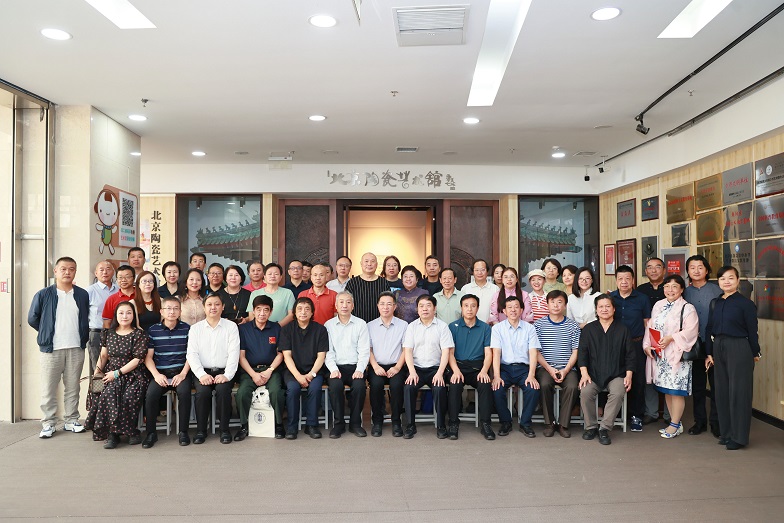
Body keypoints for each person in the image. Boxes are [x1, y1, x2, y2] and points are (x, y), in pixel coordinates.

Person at [28, 257, 90, 438]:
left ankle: (71, 420)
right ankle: (48, 423)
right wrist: (46, 332)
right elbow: (32, 318)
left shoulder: (82, 294)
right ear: (55, 271)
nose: (67, 272)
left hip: (76, 347)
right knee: (48, 388)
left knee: (73, 387)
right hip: (51, 349)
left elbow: (85, 317)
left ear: (75, 272)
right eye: (63, 269)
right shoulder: (43, 294)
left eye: (71, 269)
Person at [705, 266, 761, 450]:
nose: (726, 282)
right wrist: (709, 351)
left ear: (738, 280)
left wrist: (755, 352)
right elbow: (709, 327)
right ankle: (727, 433)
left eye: (730, 278)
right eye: (722, 278)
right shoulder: (716, 302)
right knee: (722, 391)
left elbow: (752, 331)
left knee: (739, 392)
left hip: (739, 346)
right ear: (718, 282)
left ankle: (739, 437)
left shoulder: (745, 304)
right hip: (718, 347)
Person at [642, 274, 699, 439]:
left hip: (677, 356)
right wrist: (647, 346)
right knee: (666, 390)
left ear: (681, 289)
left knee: (676, 391)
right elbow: (650, 327)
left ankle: (674, 424)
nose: (670, 290)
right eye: (667, 286)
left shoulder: (688, 308)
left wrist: (671, 338)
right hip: (661, 356)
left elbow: (691, 331)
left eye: (675, 286)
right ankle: (676, 423)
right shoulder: (658, 305)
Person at [85, 301, 148, 448]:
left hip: (134, 374)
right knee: (107, 393)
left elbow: (137, 359)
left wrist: (117, 373)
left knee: (129, 395)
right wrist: (97, 374)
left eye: (128, 313)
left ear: (133, 316)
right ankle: (112, 434)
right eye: (121, 313)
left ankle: (131, 431)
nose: (125, 316)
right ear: (116, 315)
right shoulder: (108, 333)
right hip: (110, 373)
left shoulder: (139, 334)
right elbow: (103, 356)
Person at [578, 294, 635, 446]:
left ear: (614, 309)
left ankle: (604, 428)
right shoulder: (589, 329)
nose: (604, 309)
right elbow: (582, 353)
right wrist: (584, 373)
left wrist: (629, 375)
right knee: (585, 392)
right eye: (601, 307)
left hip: (617, 374)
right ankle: (591, 427)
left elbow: (630, 355)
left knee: (618, 392)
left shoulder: (623, 329)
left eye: (608, 306)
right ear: (596, 310)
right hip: (592, 374)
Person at [186, 294, 241, 444]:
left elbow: (234, 353)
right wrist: (201, 375)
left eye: (217, 304)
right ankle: (201, 430)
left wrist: (227, 375)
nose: (213, 308)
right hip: (202, 371)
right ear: (204, 308)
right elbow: (192, 354)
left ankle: (224, 430)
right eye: (209, 304)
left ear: (223, 307)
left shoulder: (231, 327)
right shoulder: (195, 329)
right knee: (202, 393)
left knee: (223, 391)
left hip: (224, 371)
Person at [143, 296, 192, 448]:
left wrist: (183, 374)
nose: (172, 312)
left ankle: (183, 432)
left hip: (181, 372)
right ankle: (151, 433)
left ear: (180, 311)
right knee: (151, 395)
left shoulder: (187, 329)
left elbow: (192, 355)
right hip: (161, 373)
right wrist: (156, 375)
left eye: (176, 308)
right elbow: (148, 357)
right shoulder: (153, 330)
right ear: (161, 311)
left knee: (184, 393)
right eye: (168, 308)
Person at [402, 295, 453, 439]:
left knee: (439, 388)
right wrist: (412, 372)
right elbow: (408, 351)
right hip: (416, 369)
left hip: (435, 369)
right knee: (409, 388)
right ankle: (410, 425)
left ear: (434, 308)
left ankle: (441, 425)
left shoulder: (442, 326)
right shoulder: (411, 327)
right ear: (417, 309)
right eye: (421, 306)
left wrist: (440, 373)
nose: (425, 309)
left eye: (428, 305)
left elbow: (446, 352)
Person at [235, 294, 285, 441]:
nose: (262, 313)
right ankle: (244, 426)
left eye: (266, 310)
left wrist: (269, 371)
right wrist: (253, 374)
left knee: (276, 392)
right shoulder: (243, 329)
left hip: (271, 370)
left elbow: (280, 354)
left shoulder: (276, 328)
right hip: (250, 371)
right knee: (242, 393)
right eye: (258, 309)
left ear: (271, 312)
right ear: (253, 311)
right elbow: (241, 357)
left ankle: (279, 424)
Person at [683, 254, 723, 437]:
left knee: (716, 385)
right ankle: (700, 422)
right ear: (688, 271)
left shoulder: (717, 290)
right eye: (692, 267)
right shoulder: (684, 292)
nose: (696, 271)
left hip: (714, 343)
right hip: (694, 344)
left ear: (707, 270)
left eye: (700, 267)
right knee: (698, 386)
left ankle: (716, 422)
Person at [490, 296, 541, 438]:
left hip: (523, 369)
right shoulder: (497, 328)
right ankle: (505, 422)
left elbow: (533, 353)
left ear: (522, 310)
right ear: (504, 311)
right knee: (497, 388)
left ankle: (525, 423)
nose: (513, 310)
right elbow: (496, 353)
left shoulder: (530, 328)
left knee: (533, 389)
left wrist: (531, 375)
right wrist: (496, 376)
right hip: (505, 369)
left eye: (516, 307)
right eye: (510, 307)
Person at [279, 297, 329, 440]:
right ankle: (292, 427)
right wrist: (298, 376)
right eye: (299, 309)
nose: (303, 312)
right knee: (293, 388)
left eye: (307, 309)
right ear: (294, 312)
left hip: (314, 370)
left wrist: (311, 374)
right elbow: (287, 356)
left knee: (315, 388)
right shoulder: (287, 330)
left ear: (312, 312)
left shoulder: (320, 330)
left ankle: (311, 425)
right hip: (292, 371)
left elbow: (321, 356)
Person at [447, 294, 495, 440]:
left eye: (473, 306)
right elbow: (450, 353)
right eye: (466, 306)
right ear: (461, 308)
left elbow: (488, 353)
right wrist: (456, 371)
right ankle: (453, 423)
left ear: (478, 308)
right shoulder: (452, 327)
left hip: (477, 368)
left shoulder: (485, 328)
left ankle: (486, 424)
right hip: (458, 366)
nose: (469, 309)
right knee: (455, 384)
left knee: (485, 384)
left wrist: (484, 371)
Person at [610, 265, 652, 432]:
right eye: (620, 279)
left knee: (637, 380)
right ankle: (616, 414)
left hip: (636, 344)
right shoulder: (610, 298)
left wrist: (647, 345)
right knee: (616, 378)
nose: (624, 282)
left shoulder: (642, 299)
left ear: (633, 280)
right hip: (615, 345)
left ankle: (636, 416)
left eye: (627, 278)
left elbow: (647, 323)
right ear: (616, 281)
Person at [535, 290, 581, 438]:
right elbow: (535, 352)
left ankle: (563, 424)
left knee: (572, 386)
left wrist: (566, 370)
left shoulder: (573, 326)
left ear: (565, 305)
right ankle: (549, 423)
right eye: (552, 302)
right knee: (544, 384)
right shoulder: (538, 325)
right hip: (545, 368)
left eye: (559, 302)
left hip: (568, 368)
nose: (556, 305)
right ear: (547, 305)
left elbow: (575, 351)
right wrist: (550, 369)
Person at [324, 292, 370, 438]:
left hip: (355, 366)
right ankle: (338, 424)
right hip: (336, 367)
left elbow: (364, 351)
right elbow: (328, 351)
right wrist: (333, 369)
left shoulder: (361, 324)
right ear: (336, 306)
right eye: (341, 302)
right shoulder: (328, 325)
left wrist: (360, 369)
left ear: (353, 306)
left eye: (348, 302)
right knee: (335, 386)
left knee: (359, 386)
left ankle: (355, 424)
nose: (345, 305)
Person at [367, 292, 408, 437]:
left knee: (397, 386)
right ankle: (377, 422)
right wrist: (375, 366)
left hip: (396, 365)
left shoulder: (403, 325)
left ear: (395, 307)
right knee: (376, 385)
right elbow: (368, 349)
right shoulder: (370, 326)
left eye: (389, 304)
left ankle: (396, 422)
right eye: (382, 304)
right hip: (376, 366)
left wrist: (397, 367)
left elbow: (406, 349)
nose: (385, 307)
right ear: (377, 306)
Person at [87, 260, 117, 371]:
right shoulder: (90, 291)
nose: (105, 272)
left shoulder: (118, 290)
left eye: (108, 269)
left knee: (115, 366)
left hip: (116, 333)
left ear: (113, 272)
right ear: (96, 273)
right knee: (98, 368)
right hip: (96, 333)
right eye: (101, 270)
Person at [345, 252, 392, 323]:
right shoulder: (352, 283)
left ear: (376, 264)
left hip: (379, 324)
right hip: (357, 324)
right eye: (366, 261)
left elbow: (389, 303)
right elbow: (347, 304)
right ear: (361, 264)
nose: (369, 264)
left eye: (372, 261)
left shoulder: (383, 283)